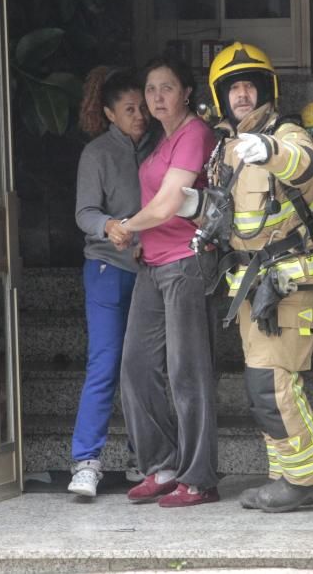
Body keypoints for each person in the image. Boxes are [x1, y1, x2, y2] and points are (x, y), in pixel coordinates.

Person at [179, 42, 313, 513]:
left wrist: (270, 149)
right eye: (233, 88)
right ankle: (283, 474)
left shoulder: (287, 135)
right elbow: (236, 215)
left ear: (266, 89)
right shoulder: (227, 149)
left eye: (249, 85)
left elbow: (307, 165)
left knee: (271, 384)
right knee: (268, 384)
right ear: (221, 97)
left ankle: (307, 479)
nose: (242, 95)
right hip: (252, 286)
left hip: (288, 281)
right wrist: (199, 209)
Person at [111, 54, 220, 508]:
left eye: (167, 88)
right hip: (154, 264)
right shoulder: (161, 139)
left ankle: (198, 478)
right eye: (151, 89)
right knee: (136, 368)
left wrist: (126, 225)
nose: (156, 96)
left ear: (187, 92)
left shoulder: (194, 133)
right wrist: (138, 237)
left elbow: (170, 203)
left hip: (187, 263)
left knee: (186, 372)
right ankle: (163, 466)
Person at [69, 66, 158, 497]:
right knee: (105, 364)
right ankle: (87, 461)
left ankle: (145, 457)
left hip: (154, 267)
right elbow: (84, 212)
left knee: (145, 368)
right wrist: (109, 226)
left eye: (142, 107)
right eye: (129, 109)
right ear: (109, 114)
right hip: (107, 269)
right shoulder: (97, 154)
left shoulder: (162, 145)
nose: (139, 115)